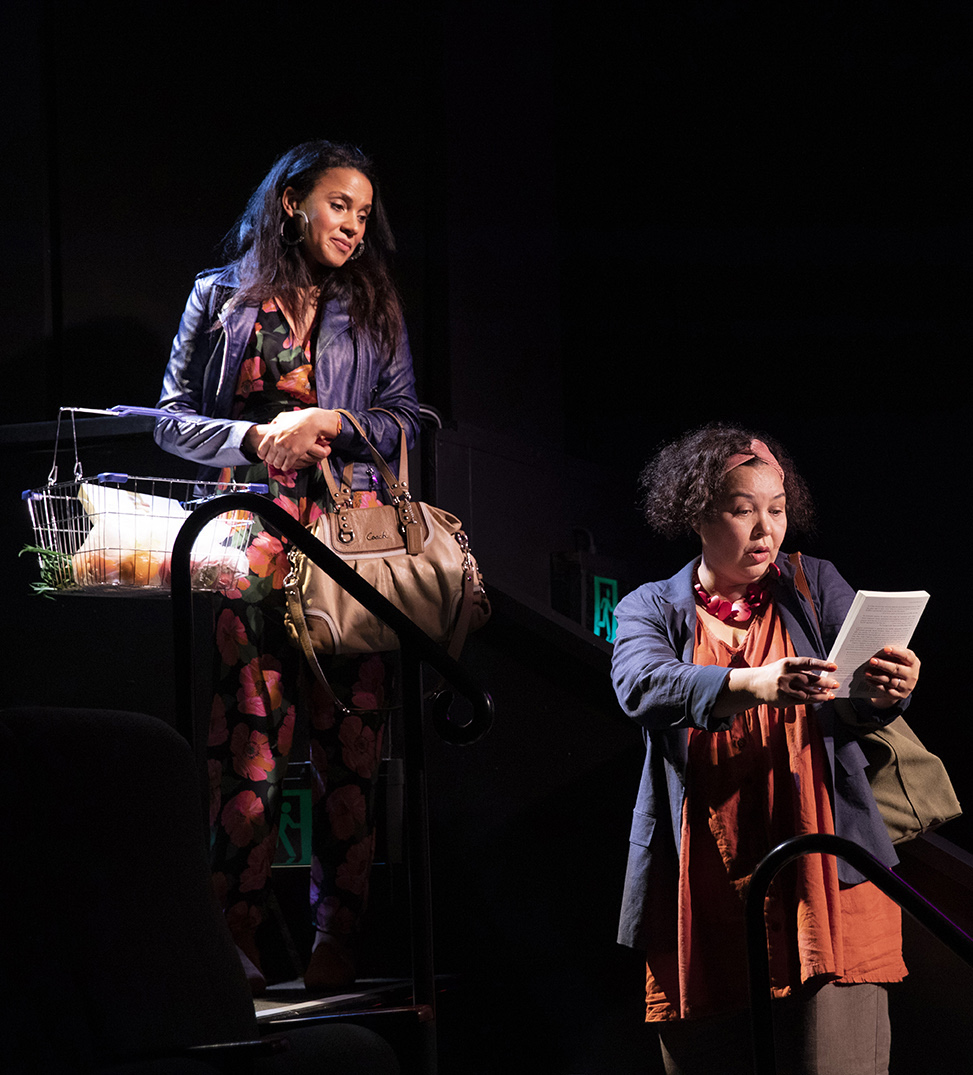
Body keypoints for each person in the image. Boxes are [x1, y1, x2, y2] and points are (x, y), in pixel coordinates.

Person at [154, 140, 420, 995]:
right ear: (292, 202)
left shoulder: (373, 306)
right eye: (340, 204)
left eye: (365, 213)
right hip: (249, 541)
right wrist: (253, 436)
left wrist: (333, 423)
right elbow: (168, 422)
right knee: (249, 744)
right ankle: (231, 927)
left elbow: (411, 415)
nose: (353, 224)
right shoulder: (218, 296)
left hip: (348, 545)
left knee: (352, 737)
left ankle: (337, 936)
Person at [610, 423, 921, 1075]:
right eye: (741, 508)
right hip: (701, 879)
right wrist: (756, 681)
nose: (765, 529)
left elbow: (860, 700)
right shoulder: (648, 606)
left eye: (775, 508)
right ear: (696, 512)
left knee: (833, 1060)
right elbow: (640, 686)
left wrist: (889, 687)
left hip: (823, 872)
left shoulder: (813, 582)